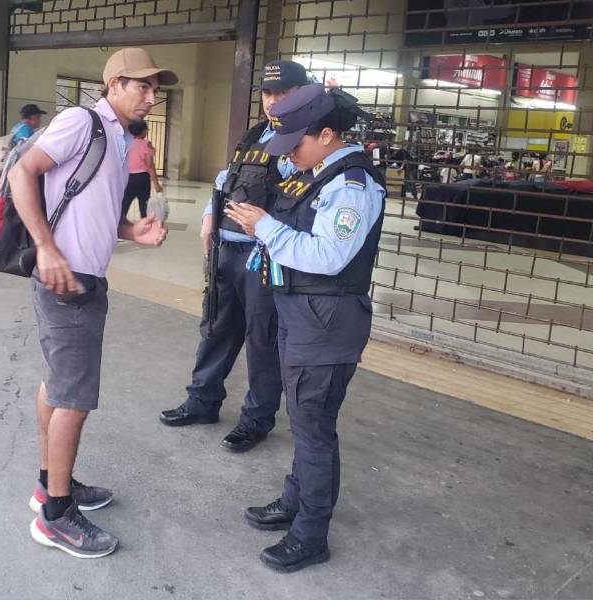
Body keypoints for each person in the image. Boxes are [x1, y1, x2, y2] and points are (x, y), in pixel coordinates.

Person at [7, 47, 174, 559]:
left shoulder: (117, 137)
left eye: (154, 88)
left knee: (58, 386)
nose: (150, 96)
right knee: (75, 399)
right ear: (114, 83)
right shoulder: (83, 121)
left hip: (80, 275)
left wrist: (130, 230)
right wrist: (47, 248)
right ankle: (56, 515)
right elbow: (21, 172)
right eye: (141, 86)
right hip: (66, 279)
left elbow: (88, 205)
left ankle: (51, 484)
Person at [224, 84, 387, 573]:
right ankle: (295, 501)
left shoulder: (351, 186)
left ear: (329, 134)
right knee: (304, 421)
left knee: (314, 429)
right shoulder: (322, 172)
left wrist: (265, 229)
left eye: (297, 143)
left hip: (327, 321)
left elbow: (329, 257)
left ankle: (311, 534)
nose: (290, 153)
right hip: (306, 316)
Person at [158, 60, 307, 453]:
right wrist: (209, 217)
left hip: (264, 255)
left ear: (302, 96)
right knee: (216, 329)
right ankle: (202, 401)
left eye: (283, 93)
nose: (273, 101)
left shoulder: (304, 140)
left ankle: (256, 419)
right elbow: (227, 178)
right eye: (268, 93)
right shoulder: (256, 134)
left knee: (263, 340)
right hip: (226, 249)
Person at [122, 120, 162, 219]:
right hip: (142, 179)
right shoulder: (146, 144)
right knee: (144, 205)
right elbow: (149, 165)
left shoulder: (125, 143)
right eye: (147, 129)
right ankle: (145, 226)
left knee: (124, 204)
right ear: (143, 131)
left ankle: (118, 227)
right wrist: (156, 184)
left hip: (127, 178)